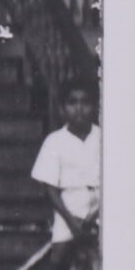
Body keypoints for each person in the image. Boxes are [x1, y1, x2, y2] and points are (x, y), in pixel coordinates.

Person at [31, 80, 102, 260]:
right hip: (69, 208)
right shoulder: (55, 141)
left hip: (101, 206)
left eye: (85, 102)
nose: (79, 109)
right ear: (62, 109)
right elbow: (50, 189)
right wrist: (72, 222)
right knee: (59, 258)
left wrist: (98, 212)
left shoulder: (103, 137)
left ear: (94, 107)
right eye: (72, 103)